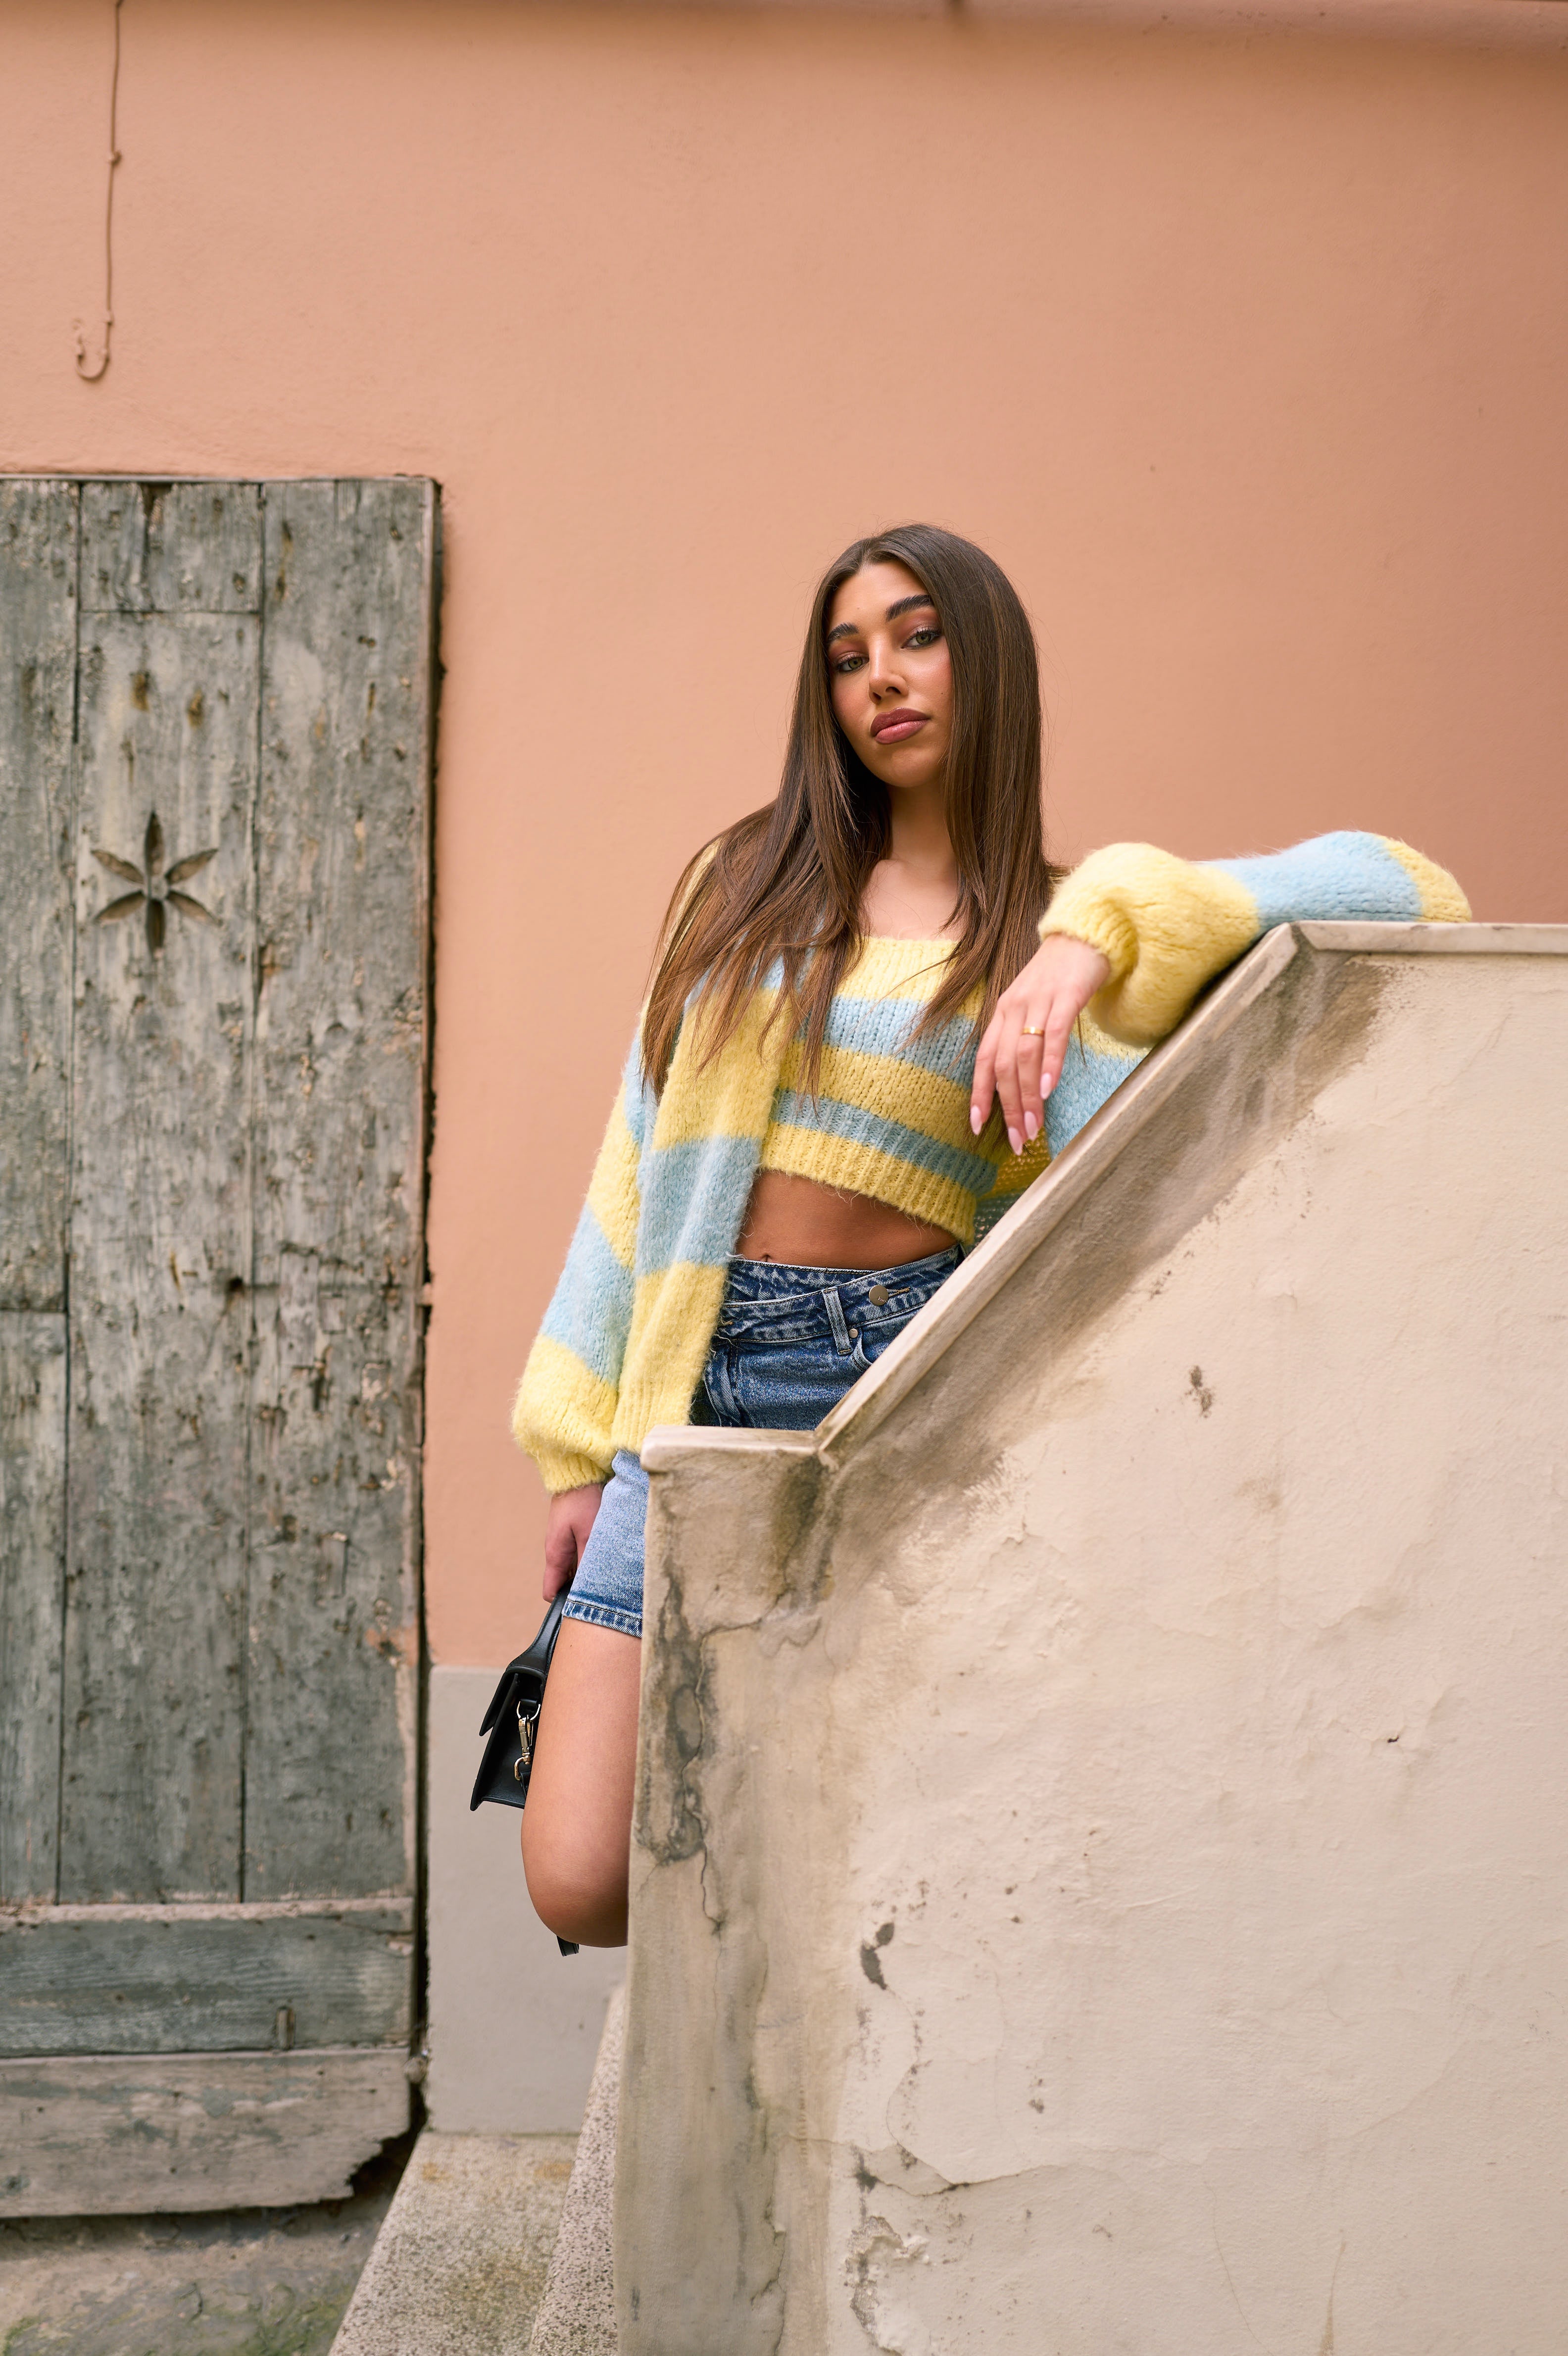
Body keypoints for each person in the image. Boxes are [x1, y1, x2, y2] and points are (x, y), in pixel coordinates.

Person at [511, 523, 1468, 1946]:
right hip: (688, 1387)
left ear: (988, 659)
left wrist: (1092, 933)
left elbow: (1412, 889)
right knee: (583, 1872)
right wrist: (576, 1445)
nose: (882, 679)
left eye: (918, 637)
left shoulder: (1056, 938)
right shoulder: (742, 885)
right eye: (849, 657)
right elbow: (636, 1155)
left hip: (898, 1395)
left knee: (866, 1841)